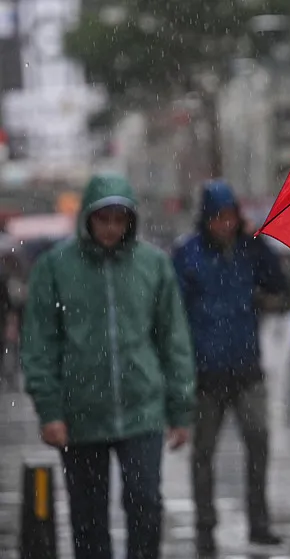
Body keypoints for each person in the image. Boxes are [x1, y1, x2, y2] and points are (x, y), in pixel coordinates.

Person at [21, 174, 195, 559]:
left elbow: (173, 339)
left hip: (142, 410)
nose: (112, 228)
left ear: (130, 220)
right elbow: (40, 344)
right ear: (88, 218)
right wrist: (50, 410)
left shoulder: (153, 265)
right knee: (88, 518)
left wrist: (180, 408)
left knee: (146, 505)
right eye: (104, 219)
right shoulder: (56, 268)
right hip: (81, 413)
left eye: (120, 219)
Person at [172, 179, 288, 555]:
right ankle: (205, 525)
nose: (225, 224)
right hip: (206, 373)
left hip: (246, 368)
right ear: (206, 219)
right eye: (218, 217)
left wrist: (258, 244)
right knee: (203, 453)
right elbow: (174, 311)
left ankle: (260, 521)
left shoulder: (249, 251)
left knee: (259, 442)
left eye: (230, 217)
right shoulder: (187, 255)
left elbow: (280, 283)